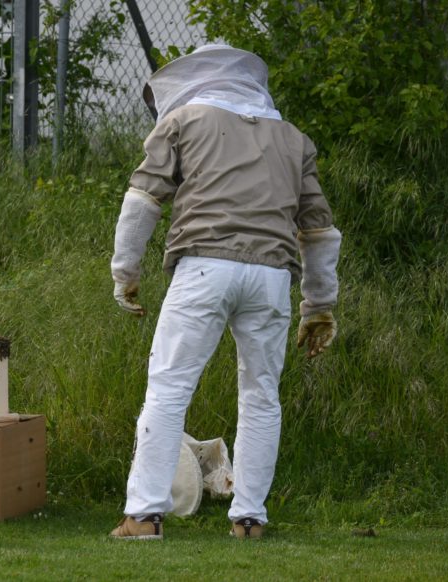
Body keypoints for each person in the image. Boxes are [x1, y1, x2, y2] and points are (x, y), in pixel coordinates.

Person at [109, 44, 341, 540]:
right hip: (272, 279)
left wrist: (125, 273)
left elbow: (142, 199)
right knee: (261, 397)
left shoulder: (183, 121)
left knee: (169, 388)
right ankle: (250, 520)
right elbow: (318, 230)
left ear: (195, 79)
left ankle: (143, 516)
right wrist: (319, 306)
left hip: (204, 268)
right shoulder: (294, 139)